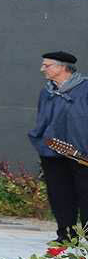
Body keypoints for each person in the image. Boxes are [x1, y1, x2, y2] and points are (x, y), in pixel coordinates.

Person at [29, 50, 88, 243]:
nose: (42, 69)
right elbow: (42, 119)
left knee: (85, 193)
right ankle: (66, 235)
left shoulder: (84, 88)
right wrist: (40, 140)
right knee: (59, 195)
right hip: (52, 152)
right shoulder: (46, 92)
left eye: (47, 65)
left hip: (81, 153)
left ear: (62, 67)